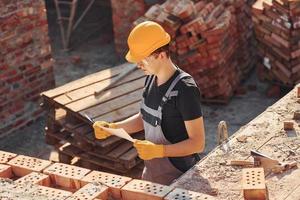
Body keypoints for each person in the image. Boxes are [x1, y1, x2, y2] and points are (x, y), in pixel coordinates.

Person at [93, 21, 205, 185]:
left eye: (142, 60)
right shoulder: (151, 79)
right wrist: (114, 128)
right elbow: (143, 118)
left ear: (160, 55)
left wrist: (160, 151)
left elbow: (198, 143)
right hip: (153, 175)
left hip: (181, 179)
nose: (138, 65)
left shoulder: (185, 89)